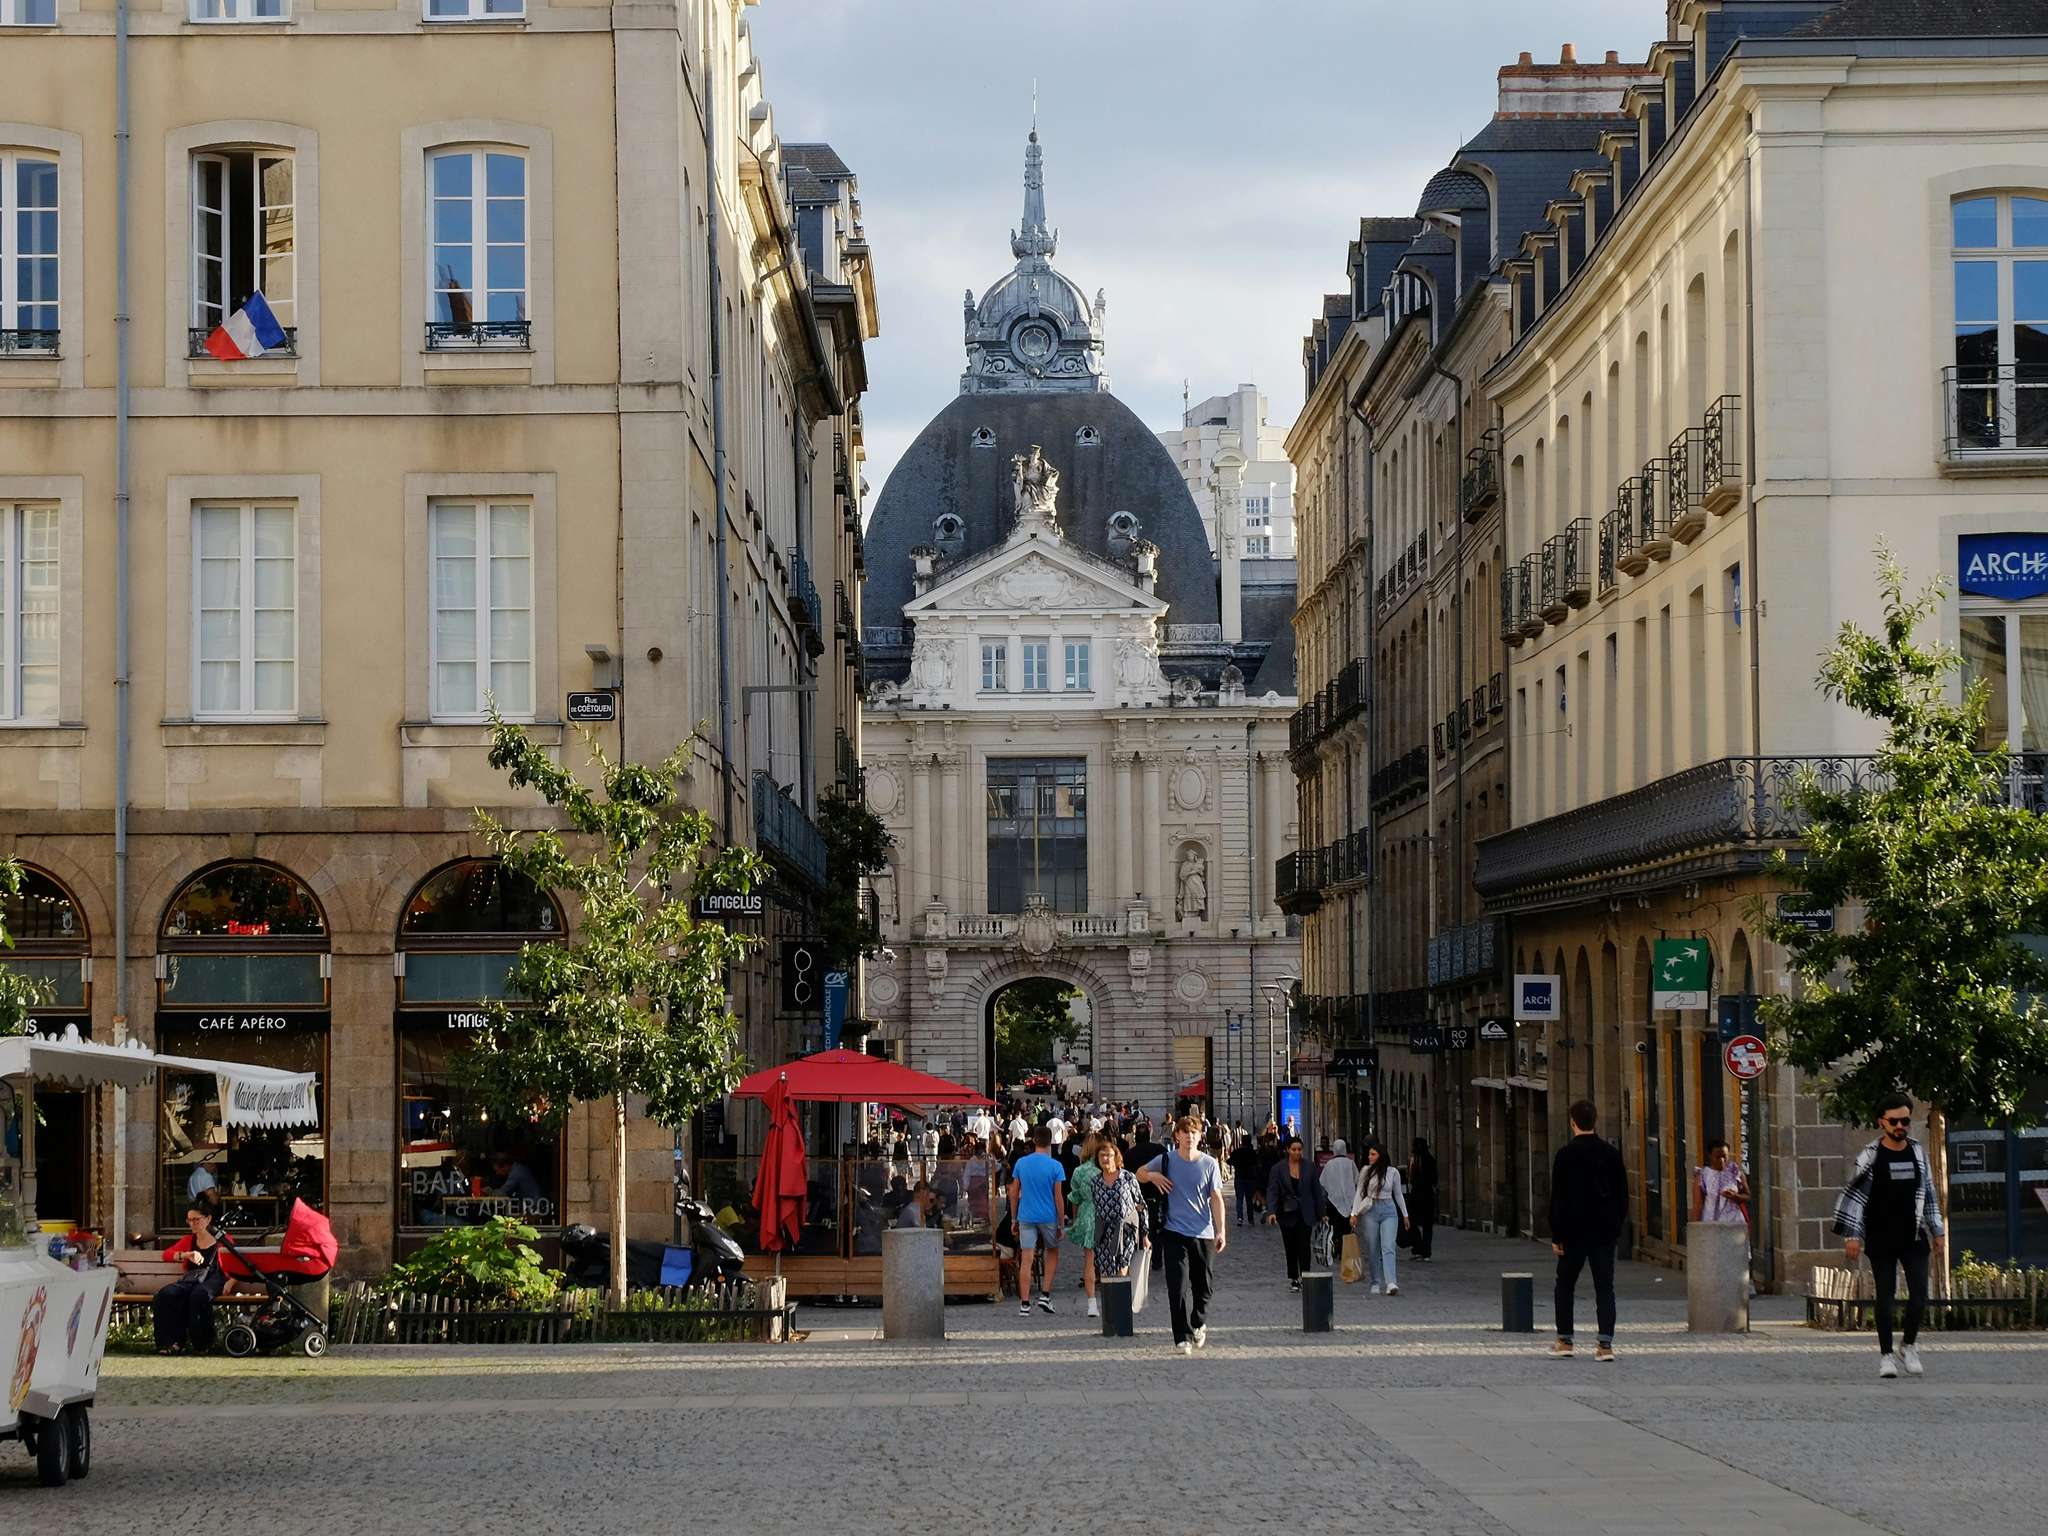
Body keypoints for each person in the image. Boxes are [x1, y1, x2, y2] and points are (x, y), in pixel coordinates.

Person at [1834, 1094, 1946, 1379]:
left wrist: (1938, 1231)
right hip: (1881, 1236)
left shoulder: (1918, 1152)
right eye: (1894, 1121)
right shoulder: (1870, 1156)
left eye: (1905, 1121)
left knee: (1919, 1295)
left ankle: (1908, 1345)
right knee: (1885, 1297)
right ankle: (1886, 1356)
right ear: (1881, 1122)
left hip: (1914, 1235)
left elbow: (1929, 1193)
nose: (1900, 1126)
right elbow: (1856, 1198)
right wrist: (1853, 1236)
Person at [1138, 1113, 1227, 1355]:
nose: (1190, 1136)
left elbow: (1216, 1198)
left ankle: (1198, 1321)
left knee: (1204, 1287)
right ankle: (1181, 1336)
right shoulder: (1166, 1159)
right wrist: (1153, 1175)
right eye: (1185, 1132)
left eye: (1194, 1132)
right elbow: (1139, 1173)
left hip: (1204, 1232)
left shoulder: (1209, 1163)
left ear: (1200, 1137)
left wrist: (1221, 1231)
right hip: (1173, 1231)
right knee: (1177, 1286)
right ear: (1177, 1135)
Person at [1549, 1098, 1628, 1362]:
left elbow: (1557, 1198)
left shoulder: (1565, 1155)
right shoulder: (1611, 1154)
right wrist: (1615, 1224)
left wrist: (1556, 1235)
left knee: (1565, 1285)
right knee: (1605, 1287)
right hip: (1604, 1231)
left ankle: (1565, 1339)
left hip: (1572, 1231)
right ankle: (1605, 1344)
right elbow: (1623, 1195)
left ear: (1572, 1122)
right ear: (1595, 1121)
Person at [154, 1199, 230, 1353]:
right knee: (165, 1294)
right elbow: (166, 1255)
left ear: (208, 1219)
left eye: (196, 1219)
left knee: (199, 1295)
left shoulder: (223, 1240)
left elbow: (238, 1263)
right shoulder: (188, 1240)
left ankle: (202, 1344)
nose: (192, 1223)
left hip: (214, 1279)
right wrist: (185, 1254)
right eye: (190, 1220)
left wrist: (232, 1282)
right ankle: (170, 1343)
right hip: (192, 1279)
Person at [1008, 1124, 1067, 1315]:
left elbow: (1014, 1192)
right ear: (1050, 1142)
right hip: (1048, 1215)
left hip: (1026, 1215)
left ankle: (1024, 1303)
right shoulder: (1056, 1166)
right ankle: (1045, 1294)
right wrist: (1061, 1222)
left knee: (1026, 1258)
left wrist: (1014, 1218)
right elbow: (1058, 1197)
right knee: (1052, 1251)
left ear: (1033, 1141)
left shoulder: (1021, 1163)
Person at [1264, 1135, 1327, 1290]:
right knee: (1290, 1246)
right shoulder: (1278, 1169)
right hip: (1287, 1213)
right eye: (1294, 1150)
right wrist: (1271, 1211)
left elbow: (1316, 1191)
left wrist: (1322, 1212)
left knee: (1304, 1246)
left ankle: (1305, 1276)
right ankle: (1294, 1278)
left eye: (1299, 1150)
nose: (1297, 1153)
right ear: (1287, 1150)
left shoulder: (1309, 1166)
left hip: (1306, 1212)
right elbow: (1272, 1191)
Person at [1351, 1140, 1409, 1295]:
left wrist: (1405, 1214)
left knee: (1388, 1246)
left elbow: (1398, 1194)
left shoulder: (1392, 1173)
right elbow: (1359, 1193)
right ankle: (1375, 1281)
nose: (1369, 1157)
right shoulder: (1365, 1171)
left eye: (1373, 1154)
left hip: (1389, 1209)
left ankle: (1391, 1282)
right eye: (1369, 1154)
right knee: (1372, 1247)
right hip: (1370, 1210)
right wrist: (1354, 1213)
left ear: (1381, 1156)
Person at [1090, 1140, 1149, 1285]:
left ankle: (1122, 1305)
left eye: (1108, 1155)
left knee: (1122, 1270)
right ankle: (1110, 1305)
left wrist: (1144, 1234)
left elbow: (1141, 1205)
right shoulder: (1095, 1182)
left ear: (1116, 1157)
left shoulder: (1128, 1178)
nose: (1105, 1159)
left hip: (1125, 1232)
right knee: (1105, 1273)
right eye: (1101, 1155)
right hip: (1104, 1233)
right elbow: (1094, 1208)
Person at [1066, 1132, 1104, 1315]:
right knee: (1109, 1260)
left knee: (1089, 1261)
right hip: (1106, 1215)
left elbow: (1075, 1198)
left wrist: (1075, 1220)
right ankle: (1114, 1297)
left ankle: (1092, 1304)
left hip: (1087, 1214)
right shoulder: (1107, 1168)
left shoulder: (1079, 1171)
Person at [1319, 1138, 1359, 1270]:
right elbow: (1356, 1179)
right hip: (1349, 1200)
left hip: (1332, 1201)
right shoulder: (1350, 1163)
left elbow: (1323, 1182)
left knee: (1335, 1226)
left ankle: (1336, 1247)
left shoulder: (1329, 1164)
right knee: (1346, 1227)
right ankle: (1344, 1250)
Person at [1407, 1137, 1439, 1262]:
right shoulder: (1430, 1159)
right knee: (1427, 1225)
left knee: (1412, 1222)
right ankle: (1426, 1252)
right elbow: (1434, 1179)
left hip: (1417, 1195)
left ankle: (1419, 1249)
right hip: (1427, 1195)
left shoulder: (1414, 1160)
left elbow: (1410, 1178)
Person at [1230, 1131, 1264, 1226]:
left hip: (1239, 1177)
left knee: (1239, 1199)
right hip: (1250, 1178)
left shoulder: (1237, 1151)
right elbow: (1257, 1163)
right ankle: (1250, 1219)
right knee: (1249, 1199)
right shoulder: (1252, 1152)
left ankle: (1240, 1218)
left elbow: (1229, 1161)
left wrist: (1236, 1164)